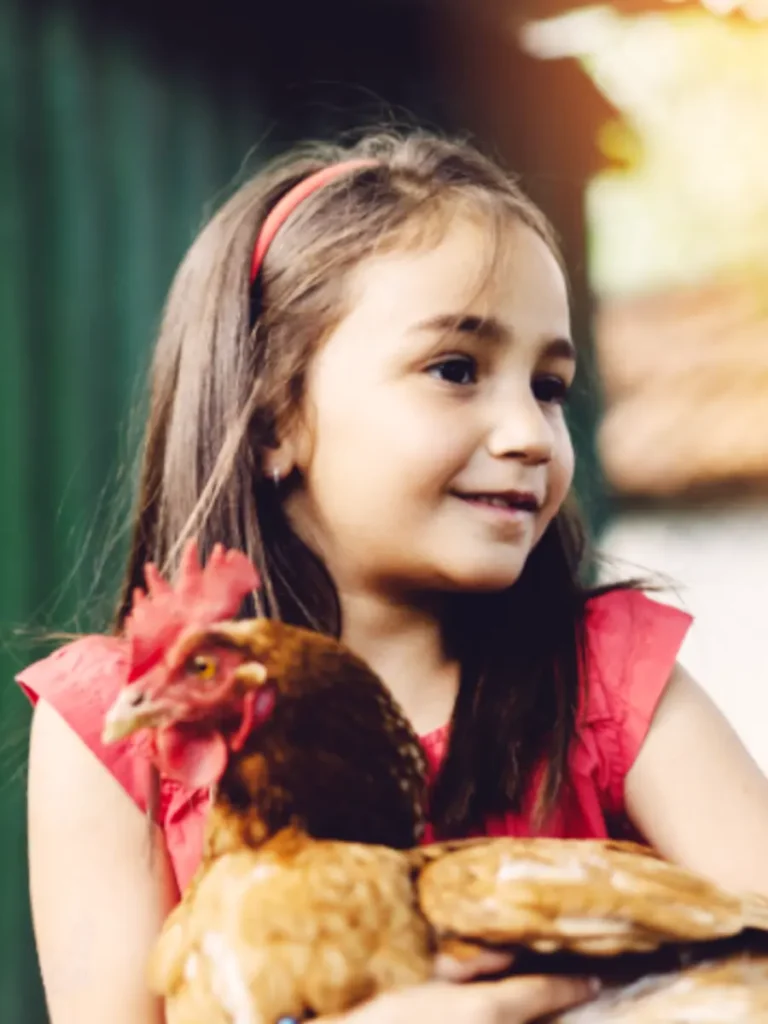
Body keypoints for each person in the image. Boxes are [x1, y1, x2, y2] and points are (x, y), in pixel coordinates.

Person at [19, 132, 768, 1024]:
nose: (529, 432)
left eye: (552, 386)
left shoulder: (606, 675)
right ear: (274, 422)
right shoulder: (120, 721)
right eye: (456, 370)